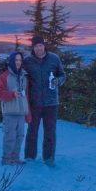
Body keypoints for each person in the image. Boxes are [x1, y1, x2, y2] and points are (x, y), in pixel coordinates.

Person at [23, 35, 65, 167]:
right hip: (34, 102)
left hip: (51, 102)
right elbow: (19, 74)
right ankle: (29, 157)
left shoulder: (54, 58)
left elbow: (62, 75)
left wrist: (58, 81)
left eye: (40, 45)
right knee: (32, 130)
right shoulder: (28, 61)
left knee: (50, 131)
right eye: (36, 46)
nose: (38, 48)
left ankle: (48, 158)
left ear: (44, 46)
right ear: (33, 47)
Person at [0, 51, 31, 165]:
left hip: (21, 112)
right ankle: (7, 159)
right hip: (10, 113)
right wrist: (11, 94)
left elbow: (27, 96)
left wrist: (28, 114)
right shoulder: (4, 76)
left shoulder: (24, 76)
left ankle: (15, 158)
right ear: (11, 61)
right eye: (16, 60)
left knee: (20, 137)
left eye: (20, 60)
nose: (18, 62)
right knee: (10, 137)